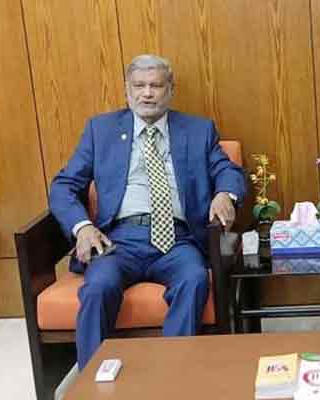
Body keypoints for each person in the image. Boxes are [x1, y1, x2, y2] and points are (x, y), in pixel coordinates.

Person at [49, 54, 246, 370]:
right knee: (98, 287)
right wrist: (82, 227)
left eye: (156, 85)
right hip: (118, 240)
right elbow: (64, 186)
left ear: (171, 89)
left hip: (178, 239)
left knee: (194, 279)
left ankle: (172, 372)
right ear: (127, 91)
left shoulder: (198, 130)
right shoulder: (101, 130)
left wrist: (225, 194)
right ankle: (92, 378)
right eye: (139, 86)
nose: (147, 94)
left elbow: (228, 170)